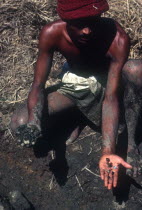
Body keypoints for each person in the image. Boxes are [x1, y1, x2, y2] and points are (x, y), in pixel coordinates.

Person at [10, 0, 142, 190]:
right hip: (76, 83)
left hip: (109, 84)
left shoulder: (117, 38)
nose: (87, 31)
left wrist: (107, 150)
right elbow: (38, 84)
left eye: (92, 21)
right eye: (79, 24)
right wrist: (34, 123)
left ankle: (131, 145)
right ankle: (79, 117)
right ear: (65, 20)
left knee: (136, 70)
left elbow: (111, 97)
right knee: (19, 123)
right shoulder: (51, 33)